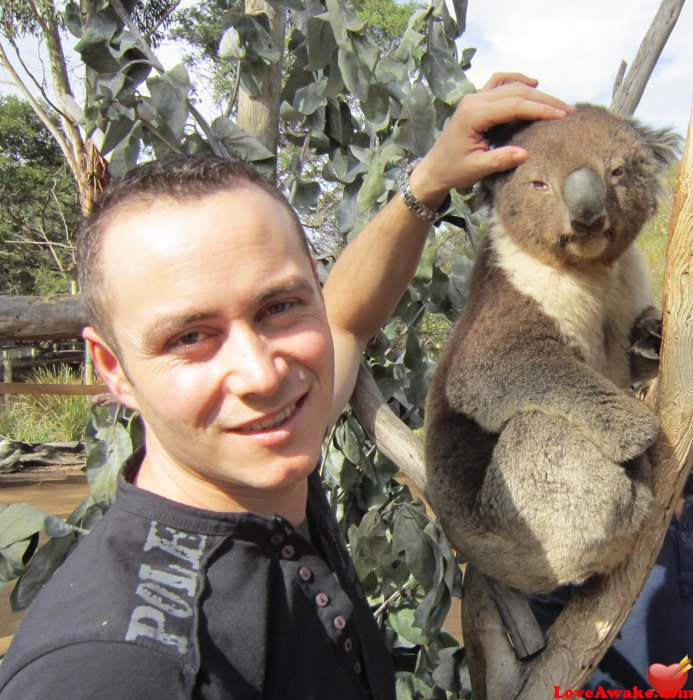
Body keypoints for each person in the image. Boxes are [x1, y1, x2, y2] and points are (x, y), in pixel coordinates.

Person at [0, 74, 571, 699]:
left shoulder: (259, 456)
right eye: (190, 337)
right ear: (113, 370)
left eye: (277, 307)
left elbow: (346, 316)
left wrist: (431, 177)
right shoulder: (116, 671)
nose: (263, 372)